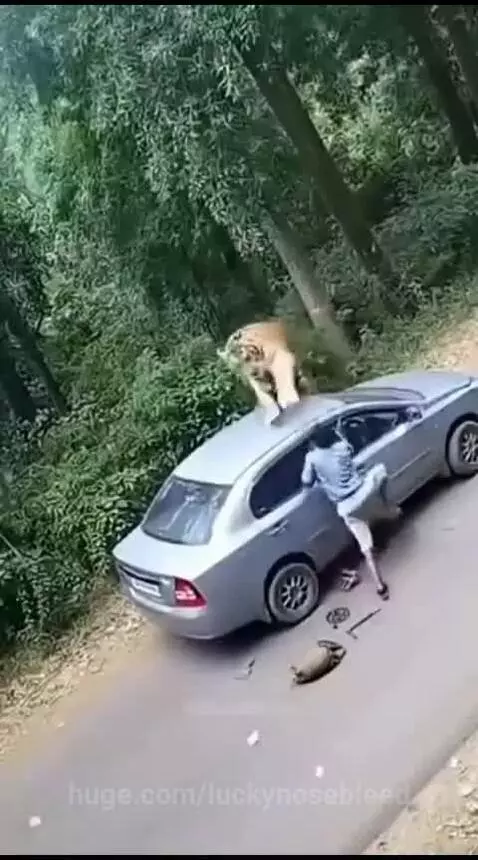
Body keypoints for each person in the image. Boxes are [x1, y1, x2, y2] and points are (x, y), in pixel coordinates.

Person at [300, 426, 401, 600]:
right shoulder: (341, 447)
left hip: (347, 507)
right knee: (381, 470)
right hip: (364, 493)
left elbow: (306, 481)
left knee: (366, 548)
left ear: (314, 442)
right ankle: (387, 507)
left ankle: (380, 587)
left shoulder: (312, 457)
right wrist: (340, 433)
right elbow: (348, 448)